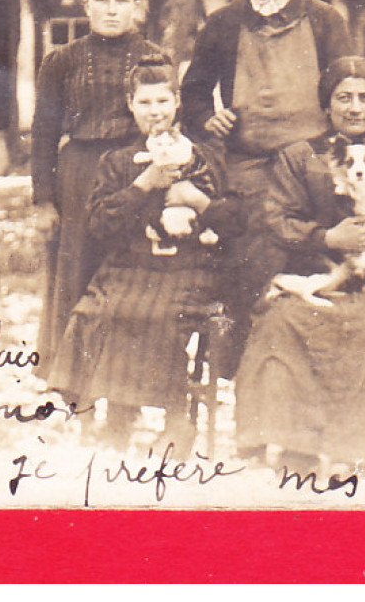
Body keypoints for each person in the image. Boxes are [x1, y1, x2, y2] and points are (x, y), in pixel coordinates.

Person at [234, 57, 365, 475]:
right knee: (284, 323)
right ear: (327, 104)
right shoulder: (299, 156)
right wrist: (325, 237)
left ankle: (360, 452)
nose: (355, 108)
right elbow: (277, 220)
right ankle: (295, 448)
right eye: (344, 97)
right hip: (315, 278)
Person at [180, 0, 354, 348]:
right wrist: (206, 117)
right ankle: (250, 339)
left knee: (317, 237)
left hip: (314, 162)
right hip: (249, 163)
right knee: (253, 232)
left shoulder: (324, 20)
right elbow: (194, 94)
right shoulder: (222, 24)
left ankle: (315, 339)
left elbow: (349, 90)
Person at [44, 57, 234, 450]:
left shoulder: (203, 156)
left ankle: (177, 417)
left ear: (177, 103)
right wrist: (143, 185)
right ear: (130, 104)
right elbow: (98, 225)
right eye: (145, 103)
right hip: (129, 265)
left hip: (188, 268)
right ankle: (117, 414)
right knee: (97, 312)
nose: (155, 113)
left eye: (163, 101)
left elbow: (232, 218)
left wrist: (195, 200)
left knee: (161, 315)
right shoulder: (116, 162)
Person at [29, 0, 168, 366]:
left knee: (128, 273)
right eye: (101, 0)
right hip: (77, 177)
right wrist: (43, 200)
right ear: (86, 6)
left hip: (136, 172)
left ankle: (125, 375)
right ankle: (74, 378)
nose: (111, 9)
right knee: (76, 276)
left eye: (121, 1)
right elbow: (43, 133)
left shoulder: (155, 58)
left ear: (137, 7)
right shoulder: (61, 61)